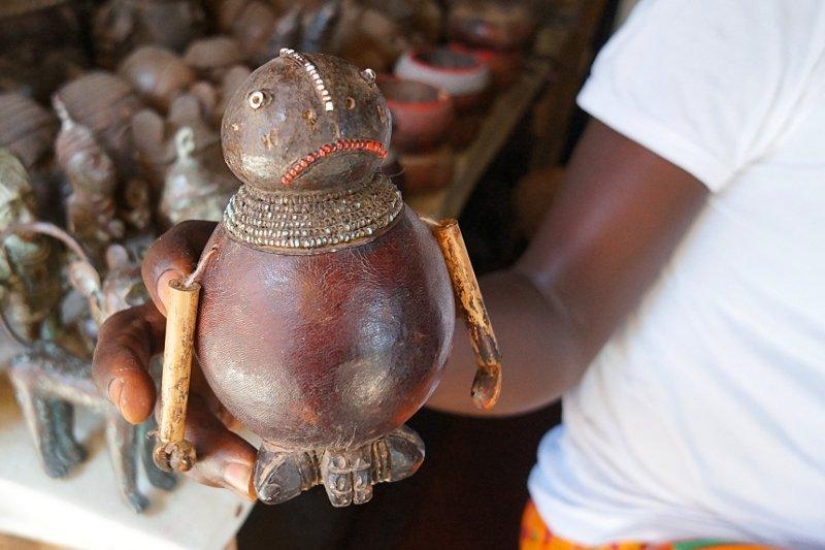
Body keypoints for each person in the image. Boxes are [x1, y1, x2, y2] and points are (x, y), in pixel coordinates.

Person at [92, 0, 825, 547]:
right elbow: (556, 306)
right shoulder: (762, 20)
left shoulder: (411, 228)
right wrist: (202, 348)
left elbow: (473, 299)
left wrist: (434, 355)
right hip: (662, 523)